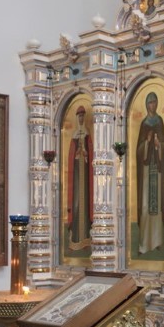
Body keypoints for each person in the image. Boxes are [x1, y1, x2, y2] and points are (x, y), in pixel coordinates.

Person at [136, 91, 164, 254]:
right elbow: (138, 150)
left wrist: (158, 145)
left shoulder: (160, 121)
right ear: (146, 105)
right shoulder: (144, 124)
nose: (152, 105)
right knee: (145, 205)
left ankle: (157, 242)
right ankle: (144, 244)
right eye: (150, 103)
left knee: (156, 207)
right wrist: (147, 143)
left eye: (154, 102)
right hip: (146, 171)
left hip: (158, 170)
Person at [66, 105, 93, 250]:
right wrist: (76, 155)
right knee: (76, 203)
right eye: (79, 116)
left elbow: (91, 152)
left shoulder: (87, 134)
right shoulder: (74, 135)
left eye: (83, 115)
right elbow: (71, 157)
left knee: (85, 203)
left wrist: (86, 154)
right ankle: (75, 239)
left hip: (86, 175)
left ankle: (86, 240)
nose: (81, 118)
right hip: (77, 175)